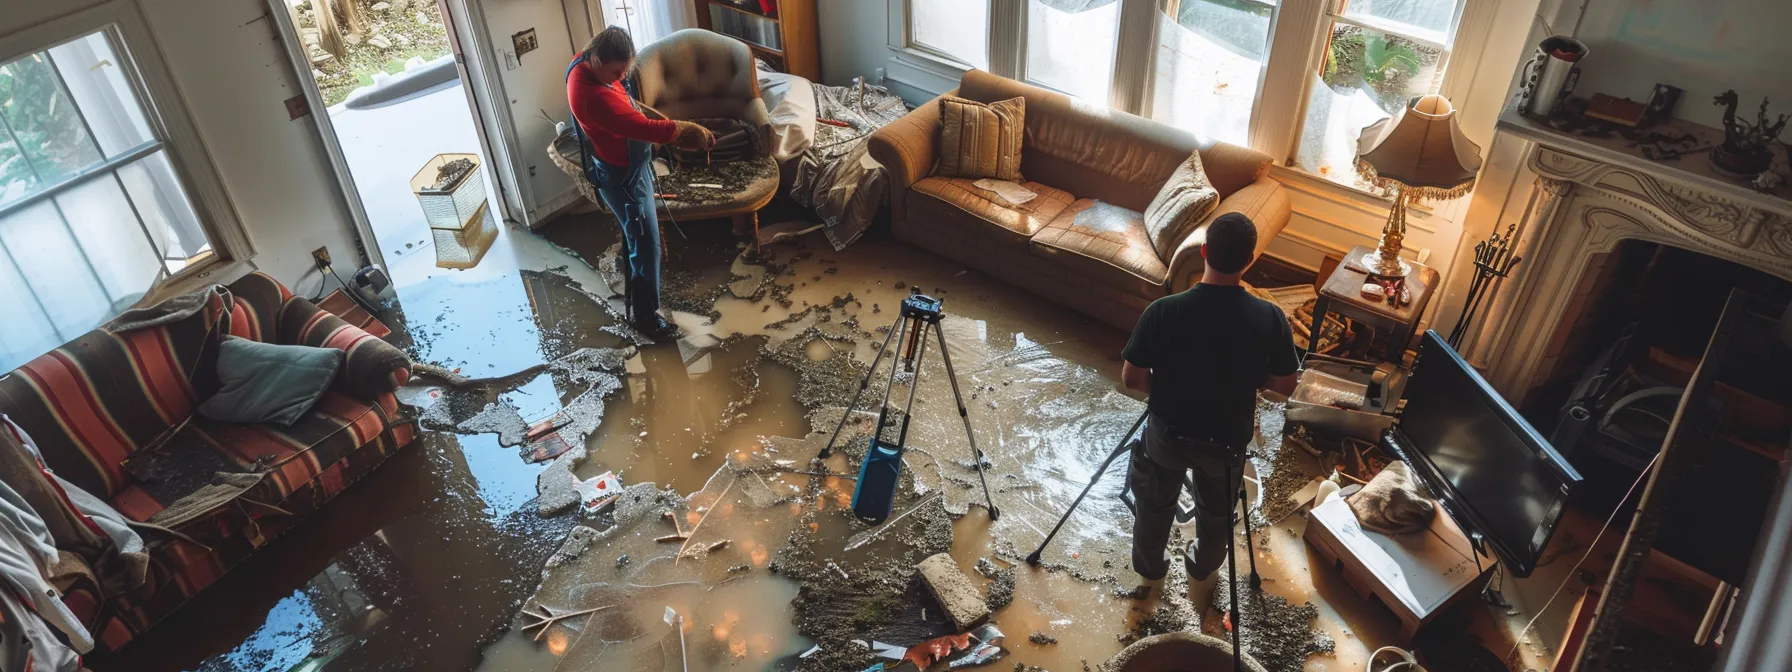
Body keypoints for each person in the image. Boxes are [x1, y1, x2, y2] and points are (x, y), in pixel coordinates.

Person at [1119, 212, 1300, 583]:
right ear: (1250, 261)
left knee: (1153, 504)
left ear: (1203, 251)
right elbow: (1284, 386)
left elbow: (1132, 379)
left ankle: (1150, 568)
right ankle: (1203, 566)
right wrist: (1244, 380)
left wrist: (1171, 386)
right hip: (1225, 442)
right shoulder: (1270, 318)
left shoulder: (1163, 311)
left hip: (1168, 432)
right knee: (1216, 513)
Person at [566, 26, 713, 339]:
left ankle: (636, 287)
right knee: (646, 244)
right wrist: (689, 131)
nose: (621, 78)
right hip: (623, 178)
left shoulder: (583, 61)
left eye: (626, 70)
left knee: (638, 237)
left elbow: (632, 109)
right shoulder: (592, 98)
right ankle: (646, 319)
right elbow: (648, 129)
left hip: (627, 166)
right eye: (617, 72)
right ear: (595, 59)